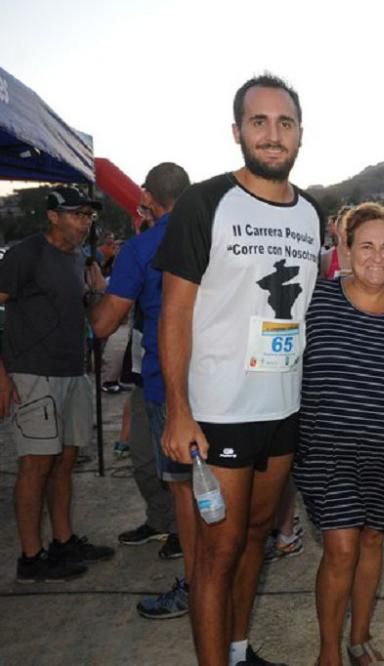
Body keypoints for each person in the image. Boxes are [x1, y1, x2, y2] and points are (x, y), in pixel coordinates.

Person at [156, 74, 323, 666]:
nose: (273, 134)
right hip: (219, 411)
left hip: (282, 408)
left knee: (256, 538)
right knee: (216, 554)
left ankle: (237, 649)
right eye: (260, 122)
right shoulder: (205, 203)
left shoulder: (312, 213)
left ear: (300, 133)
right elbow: (173, 315)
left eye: (284, 123)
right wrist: (178, 409)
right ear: (237, 132)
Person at [294, 202, 384, 666]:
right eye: (366, 245)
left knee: (371, 541)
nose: (376, 256)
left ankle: (359, 638)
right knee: (342, 546)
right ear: (345, 249)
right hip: (327, 450)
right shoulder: (316, 301)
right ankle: (329, 651)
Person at [88, 162, 194, 618]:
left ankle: (195, 584)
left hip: (166, 385)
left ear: (148, 196)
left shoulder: (141, 248)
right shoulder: (213, 239)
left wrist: (94, 292)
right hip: (221, 381)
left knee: (186, 493)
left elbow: (104, 323)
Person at [1, 186, 115, 582]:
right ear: (52, 216)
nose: (84, 222)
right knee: (35, 465)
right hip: (34, 373)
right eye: (76, 214)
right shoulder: (25, 255)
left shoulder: (79, 258)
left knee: (65, 461)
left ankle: (63, 542)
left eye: (87, 215)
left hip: (72, 371)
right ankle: (31, 558)